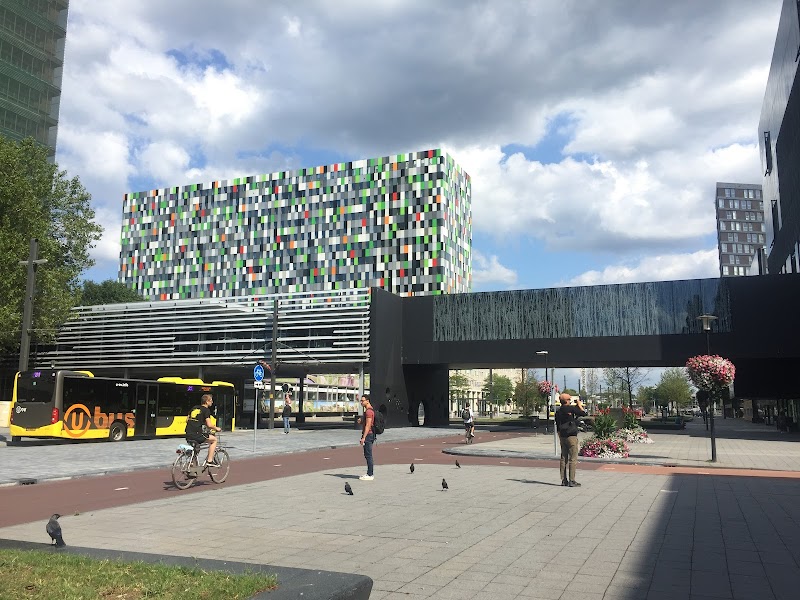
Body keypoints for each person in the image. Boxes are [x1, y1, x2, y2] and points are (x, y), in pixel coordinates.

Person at [555, 393, 587, 487]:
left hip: (562, 436)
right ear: (567, 401)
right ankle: (572, 480)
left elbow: (557, 425)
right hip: (571, 436)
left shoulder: (558, 411)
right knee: (573, 458)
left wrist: (560, 435)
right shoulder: (570, 408)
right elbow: (583, 413)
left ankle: (563, 480)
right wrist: (579, 405)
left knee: (563, 458)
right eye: (569, 400)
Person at [186, 394, 222, 467]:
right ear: (206, 402)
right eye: (211, 401)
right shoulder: (206, 410)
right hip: (197, 434)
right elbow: (209, 425)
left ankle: (192, 465)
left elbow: (187, 420)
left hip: (188, 433)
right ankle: (210, 460)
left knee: (196, 448)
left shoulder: (194, 408)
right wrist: (216, 428)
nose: (212, 402)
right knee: (214, 440)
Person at [356, 394, 375, 480]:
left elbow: (368, 425)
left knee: (368, 455)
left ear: (367, 401)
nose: (361, 402)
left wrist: (363, 437)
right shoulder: (368, 411)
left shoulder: (368, 412)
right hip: (370, 435)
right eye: (361, 400)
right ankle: (369, 473)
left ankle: (370, 474)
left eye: (362, 400)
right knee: (367, 454)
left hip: (368, 435)